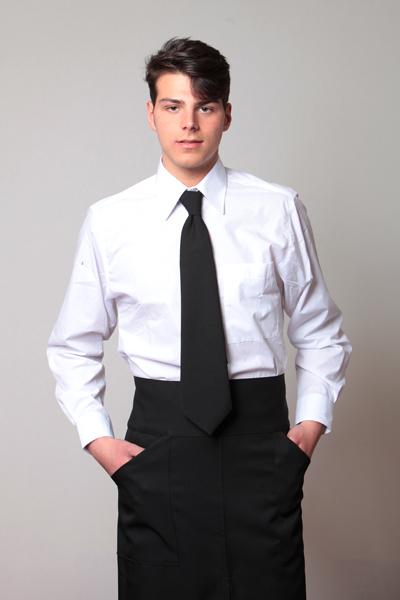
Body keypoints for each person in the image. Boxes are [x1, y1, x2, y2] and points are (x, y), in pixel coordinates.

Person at [47, 36, 352, 600]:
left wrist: (308, 430)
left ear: (226, 115)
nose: (189, 123)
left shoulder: (277, 209)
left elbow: (320, 332)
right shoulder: (110, 221)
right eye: (173, 106)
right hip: (158, 450)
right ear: (151, 114)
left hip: (262, 447)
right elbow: (73, 345)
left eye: (204, 106)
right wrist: (100, 441)